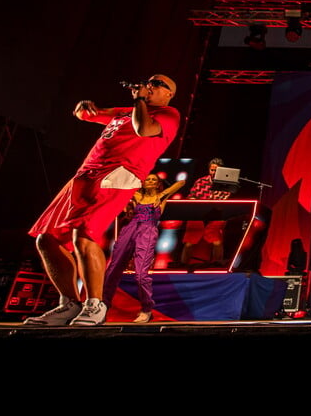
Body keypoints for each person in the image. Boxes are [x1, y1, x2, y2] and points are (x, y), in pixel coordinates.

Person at [23, 75, 181, 326]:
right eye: (149, 81)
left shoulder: (169, 114)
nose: (151, 85)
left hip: (117, 174)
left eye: (158, 84)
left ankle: (95, 304)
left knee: (83, 236)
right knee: (47, 239)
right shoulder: (125, 111)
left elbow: (143, 129)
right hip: (85, 175)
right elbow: (87, 114)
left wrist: (140, 99)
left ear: (169, 94)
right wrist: (83, 107)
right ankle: (69, 304)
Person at [103, 173, 185, 323]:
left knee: (141, 275)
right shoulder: (135, 195)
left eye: (154, 179)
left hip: (147, 232)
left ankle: (146, 309)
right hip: (129, 229)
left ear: (158, 183)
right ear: (143, 182)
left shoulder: (161, 197)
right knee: (112, 269)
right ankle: (103, 306)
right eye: (148, 179)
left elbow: (182, 182)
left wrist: (162, 194)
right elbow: (115, 186)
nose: (151, 181)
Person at [180, 157, 234, 266]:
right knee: (189, 240)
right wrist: (194, 201)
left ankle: (217, 264)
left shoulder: (226, 183)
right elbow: (191, 196)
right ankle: (183, 265)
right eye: (212, 170)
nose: (214, 172)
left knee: (217, 240)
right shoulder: (200, 181)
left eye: (217, 170)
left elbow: (224, 200)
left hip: (216, 213)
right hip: (198, 212)